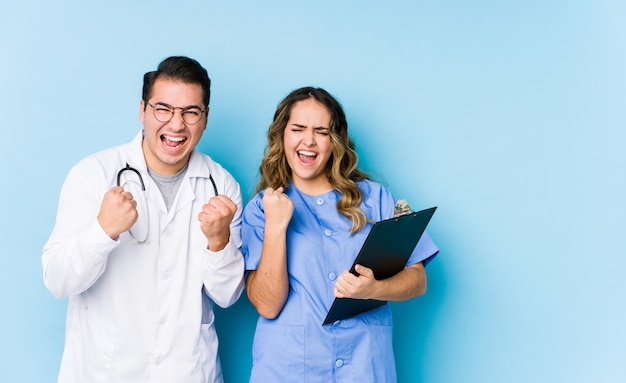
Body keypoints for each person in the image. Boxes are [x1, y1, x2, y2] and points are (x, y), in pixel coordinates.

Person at [42, 56, 245, 383]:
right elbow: (58, 280)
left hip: (188, 371)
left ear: (205, 118)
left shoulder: (221, 186)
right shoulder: (93, 174)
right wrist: (103, 231)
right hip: (106, 371)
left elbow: (227, 295)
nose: (176, 125)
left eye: (191, 112)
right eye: (163, 109)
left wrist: (218, 242)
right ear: (143, 111)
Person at [242, 86, 439, 382]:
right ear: (282, 136)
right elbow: (268, 305)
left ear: (335, 141)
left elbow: (418, 280)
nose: (308, 141)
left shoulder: (376, 199)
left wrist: (375, 290)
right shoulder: (262, 209)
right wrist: (276, 226)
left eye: (321, 131)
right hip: (289, 368)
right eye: (298, 129)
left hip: (364, 366)